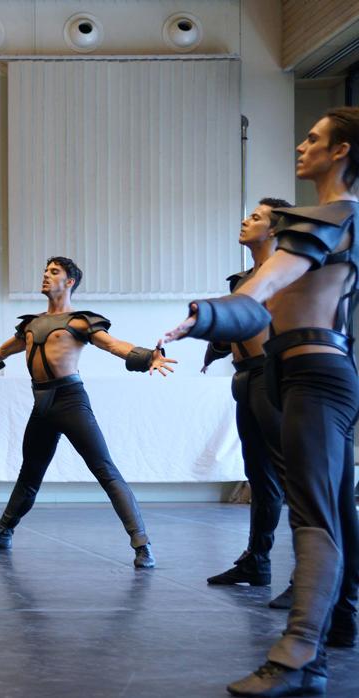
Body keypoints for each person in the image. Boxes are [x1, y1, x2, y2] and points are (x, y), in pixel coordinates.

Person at [165, 107, 359, 696]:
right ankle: (338, 622)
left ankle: (299, 656)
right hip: (312, 371)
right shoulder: (339, 220)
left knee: (314, 514)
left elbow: (264, 289)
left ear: (342, 151)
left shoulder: (331, 214)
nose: (303, 145)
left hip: (316, 374)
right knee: (333, 508)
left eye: (314, 138)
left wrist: (207, 316)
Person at [0, 256, 173, 569]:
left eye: (54, 272)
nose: (46, 276)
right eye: (44, 271)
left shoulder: (79, 321)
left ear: (69, 282)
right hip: (41, 404)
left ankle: (142, 543)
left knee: (105, 471)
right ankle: (2, 532)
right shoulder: (30, 324)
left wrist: (148, 356)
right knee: (29, 474)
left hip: (70, 401)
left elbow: (114, 345)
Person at [201, 198, 291, 591]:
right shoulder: (242, 281)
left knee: (293, 478)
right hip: (244, 379)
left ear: (274, 229)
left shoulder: (288, 274)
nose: (245, 220)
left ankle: (308, 577)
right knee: (260, 476)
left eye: (256, 217)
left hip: (274, 378)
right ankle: (257, 560)